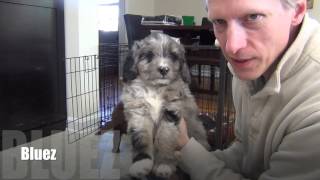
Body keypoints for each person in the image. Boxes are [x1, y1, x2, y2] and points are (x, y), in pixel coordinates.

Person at [176, 0, 320, 179]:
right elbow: (247, 153)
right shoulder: (252, 63)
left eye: (253, 17)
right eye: (219, 22)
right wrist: (183, 159)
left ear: (297, 11)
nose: (231, 47)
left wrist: (186, 148)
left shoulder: (315, 102)